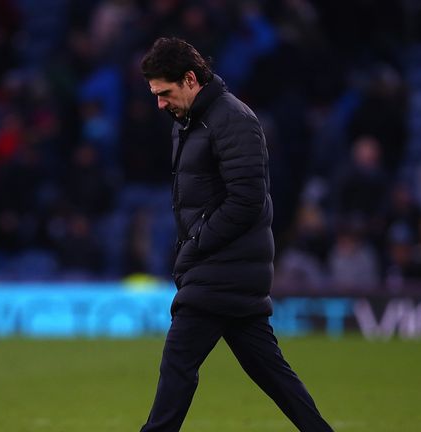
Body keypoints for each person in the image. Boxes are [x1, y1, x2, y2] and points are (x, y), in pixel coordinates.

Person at [138, 37, 333, 432]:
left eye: (165, 93)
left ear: (190, 79)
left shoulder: (233, 119)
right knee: (274, 375)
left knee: (177, 364)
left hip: (221, 270)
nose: (160, 104)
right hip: (227, 270)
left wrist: (194, 247)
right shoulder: (188, 122)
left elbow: (247, 200)